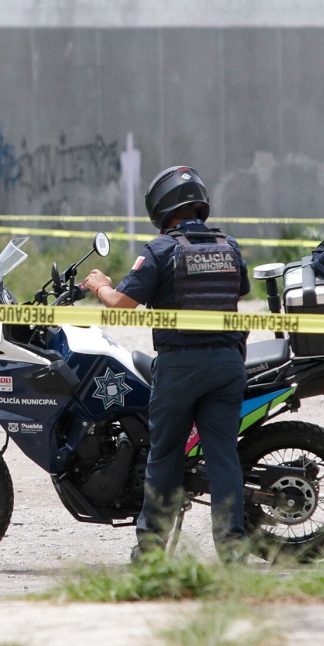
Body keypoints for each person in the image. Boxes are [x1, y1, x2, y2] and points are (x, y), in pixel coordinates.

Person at [81, 165, 250, 563]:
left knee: (164, 456)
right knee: (223, 457)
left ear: (161, 207)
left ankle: (152, 551)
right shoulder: (230, 246)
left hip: (181, 366)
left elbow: (122, 304)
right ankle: (234, 550)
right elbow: (237, 293)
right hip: (227, 363)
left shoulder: (161, 250)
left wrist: (99, 284)